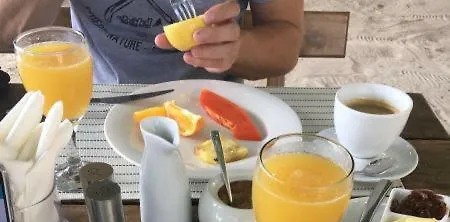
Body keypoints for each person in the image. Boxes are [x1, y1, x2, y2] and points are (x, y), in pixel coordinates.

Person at [0, 0, 303, 84]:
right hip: (94, 104)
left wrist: (237, 49)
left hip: (211, 103)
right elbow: (6, 32)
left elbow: (286, 43)